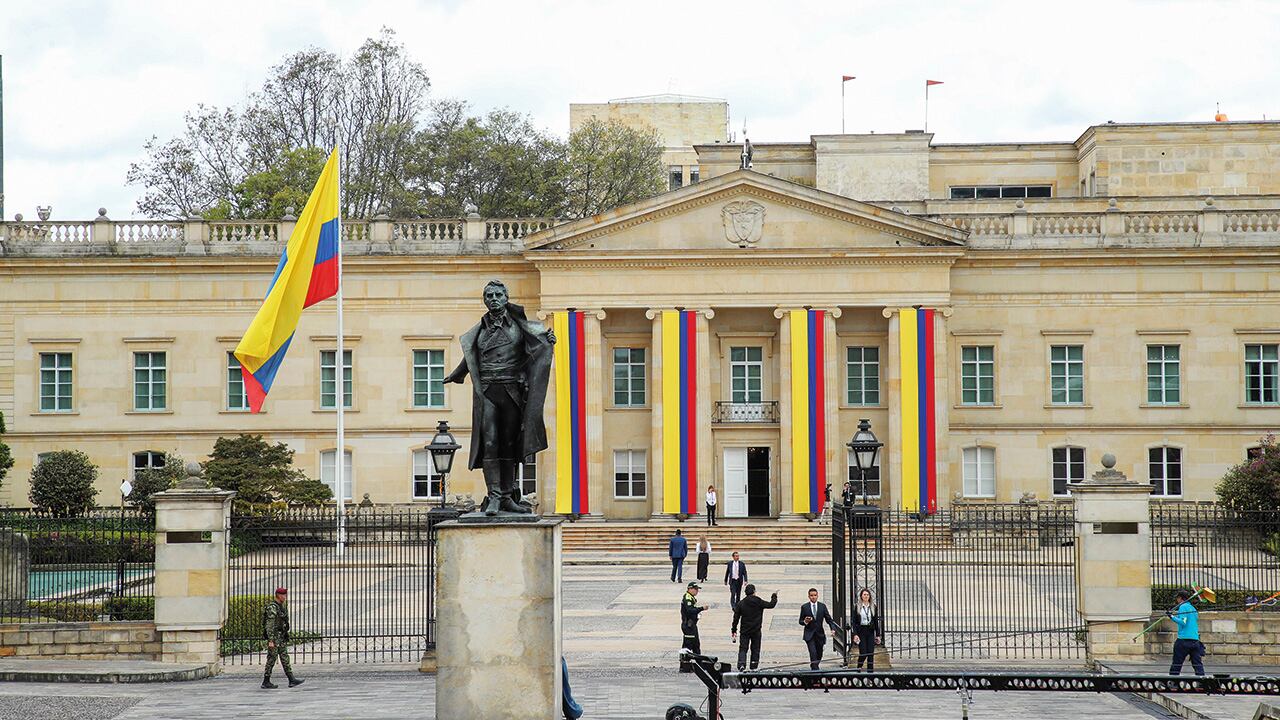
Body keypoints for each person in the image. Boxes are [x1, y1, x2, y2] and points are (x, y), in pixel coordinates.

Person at [443, 279, 555, 516]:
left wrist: (547, 342)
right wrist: (458, 373)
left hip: (511, 390)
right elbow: (472, 356)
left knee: (510, 444)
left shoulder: (519, 326)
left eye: (497, 295)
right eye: (489, 296)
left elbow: (535, 350)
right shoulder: (480, 329)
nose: (493, 299)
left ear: (506, 298)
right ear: (485, 300)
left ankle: (507, 497)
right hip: (487, 392)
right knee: (490, 443)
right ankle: (494, 496)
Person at [261, 587, 303, 689]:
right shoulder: (272, 608)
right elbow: (269, 625)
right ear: (278, 595)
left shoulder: (281, 607)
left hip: (281, 637)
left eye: (285, 595)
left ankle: (291, 679)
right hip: (275, 638)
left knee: (284, 658)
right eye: (283, 595)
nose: (285, 597)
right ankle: (266, 681)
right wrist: (271, 640)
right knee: (271, 658)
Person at [731, 584, 778, 671]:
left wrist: (734, 630)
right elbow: (771, 605)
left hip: (745, 631)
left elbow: (736, 618)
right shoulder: (758, 601)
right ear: (754, 591)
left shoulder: (741, 603)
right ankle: (754, 666)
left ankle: (741, 665)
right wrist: (774, 596)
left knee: (743, 649)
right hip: (756, 630)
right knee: (755, 649)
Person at [799, 587, 839, 670]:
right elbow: (800, 621)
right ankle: (815, 672)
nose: (813, 597)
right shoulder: (805, 607)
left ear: (817, 596)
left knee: (819, 654)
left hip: (819, 634)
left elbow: (829, 619)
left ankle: (814, 666)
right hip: (809, 634)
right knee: (813, 653)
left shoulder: (822, 606)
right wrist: (805, 622)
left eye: (815, 595)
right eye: (811, 595)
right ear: (808, 596)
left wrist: (833, 629)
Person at [1168, 589, 1205, 676]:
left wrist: (1171, 616)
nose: (1176, 600)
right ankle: (1202, 681)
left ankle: (1173, 681)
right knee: (1197, 663)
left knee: (1177, 662)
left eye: (1177, 598)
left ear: (1180, 598)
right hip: (1195, 640)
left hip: (1183, 640)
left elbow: (1183, 622)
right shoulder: (1193, 608)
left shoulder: (1183, 607)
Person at [851, 587, 882, 672]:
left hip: (870, 630)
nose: (866, 596)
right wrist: (855, 634)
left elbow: (876, 621)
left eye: (867, 595)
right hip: (861, 631)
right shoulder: (857, 607)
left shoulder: (873, 606)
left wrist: (878, 635)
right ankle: (859, 667)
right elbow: (854, 622)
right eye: (864, 594)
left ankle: (870, 672)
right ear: (861, 596)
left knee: (871, 653)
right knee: (864, 652)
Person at [680, 581, 707, 673]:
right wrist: (701, 608)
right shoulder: (687, 598)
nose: (697, 591)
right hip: (688, 625)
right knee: (687, 646)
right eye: (695, 589)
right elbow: (690, 610)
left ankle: (699, 665)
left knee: (696, 645)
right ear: (690, 589)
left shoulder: (691, 597)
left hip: (692, 625)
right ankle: (684, 666)